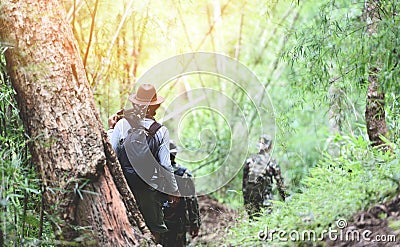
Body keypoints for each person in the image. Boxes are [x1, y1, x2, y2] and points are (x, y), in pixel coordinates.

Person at [107, 83, 179, 243]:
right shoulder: (161, 131)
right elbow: (166, 165)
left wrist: (111, 129)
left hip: (124, 187)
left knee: (126, 228)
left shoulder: (121, 125)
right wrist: (173, 191)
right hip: (149, 189)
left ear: (135, 104)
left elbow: (112, 155)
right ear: (156, 106)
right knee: (154, 229)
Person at [160, 140, 201, 247]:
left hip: (158, 221)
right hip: (178, 221)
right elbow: (191, 200)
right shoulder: (184, 174)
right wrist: (195, 223)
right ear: (175, 154)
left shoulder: (155, 172)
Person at [242, 135, 286, 218]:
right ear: (270, 146)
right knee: (266, 223)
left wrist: (246, 202)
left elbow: (244, 185)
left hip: (251, 200)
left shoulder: (249, 161)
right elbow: (280, 184)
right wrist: (285, 200)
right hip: (266, 200)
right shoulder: (271, 162)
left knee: (253, 221)